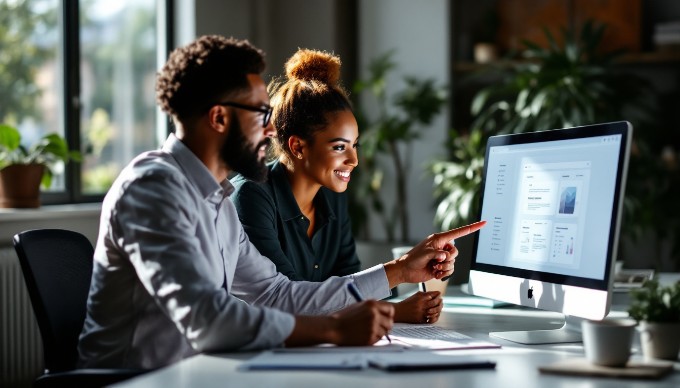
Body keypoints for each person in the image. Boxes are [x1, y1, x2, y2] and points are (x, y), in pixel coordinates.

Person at [77, 35, 484, 370]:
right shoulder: (154, 189)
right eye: (260, 113)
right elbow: (207, 319)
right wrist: (334, 331)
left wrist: (397, 271)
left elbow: (276, 294)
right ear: (219, 118)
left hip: (196, 374)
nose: (271, 127)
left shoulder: (215, 197)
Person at [231, 48, 444, 324]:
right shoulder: (251, 196)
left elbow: (348, 283)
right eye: (339, 147)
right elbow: (286, 302)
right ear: (297, 147)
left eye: (354, 146)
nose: (354, 160)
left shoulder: (333, 198)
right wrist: (394, 306)